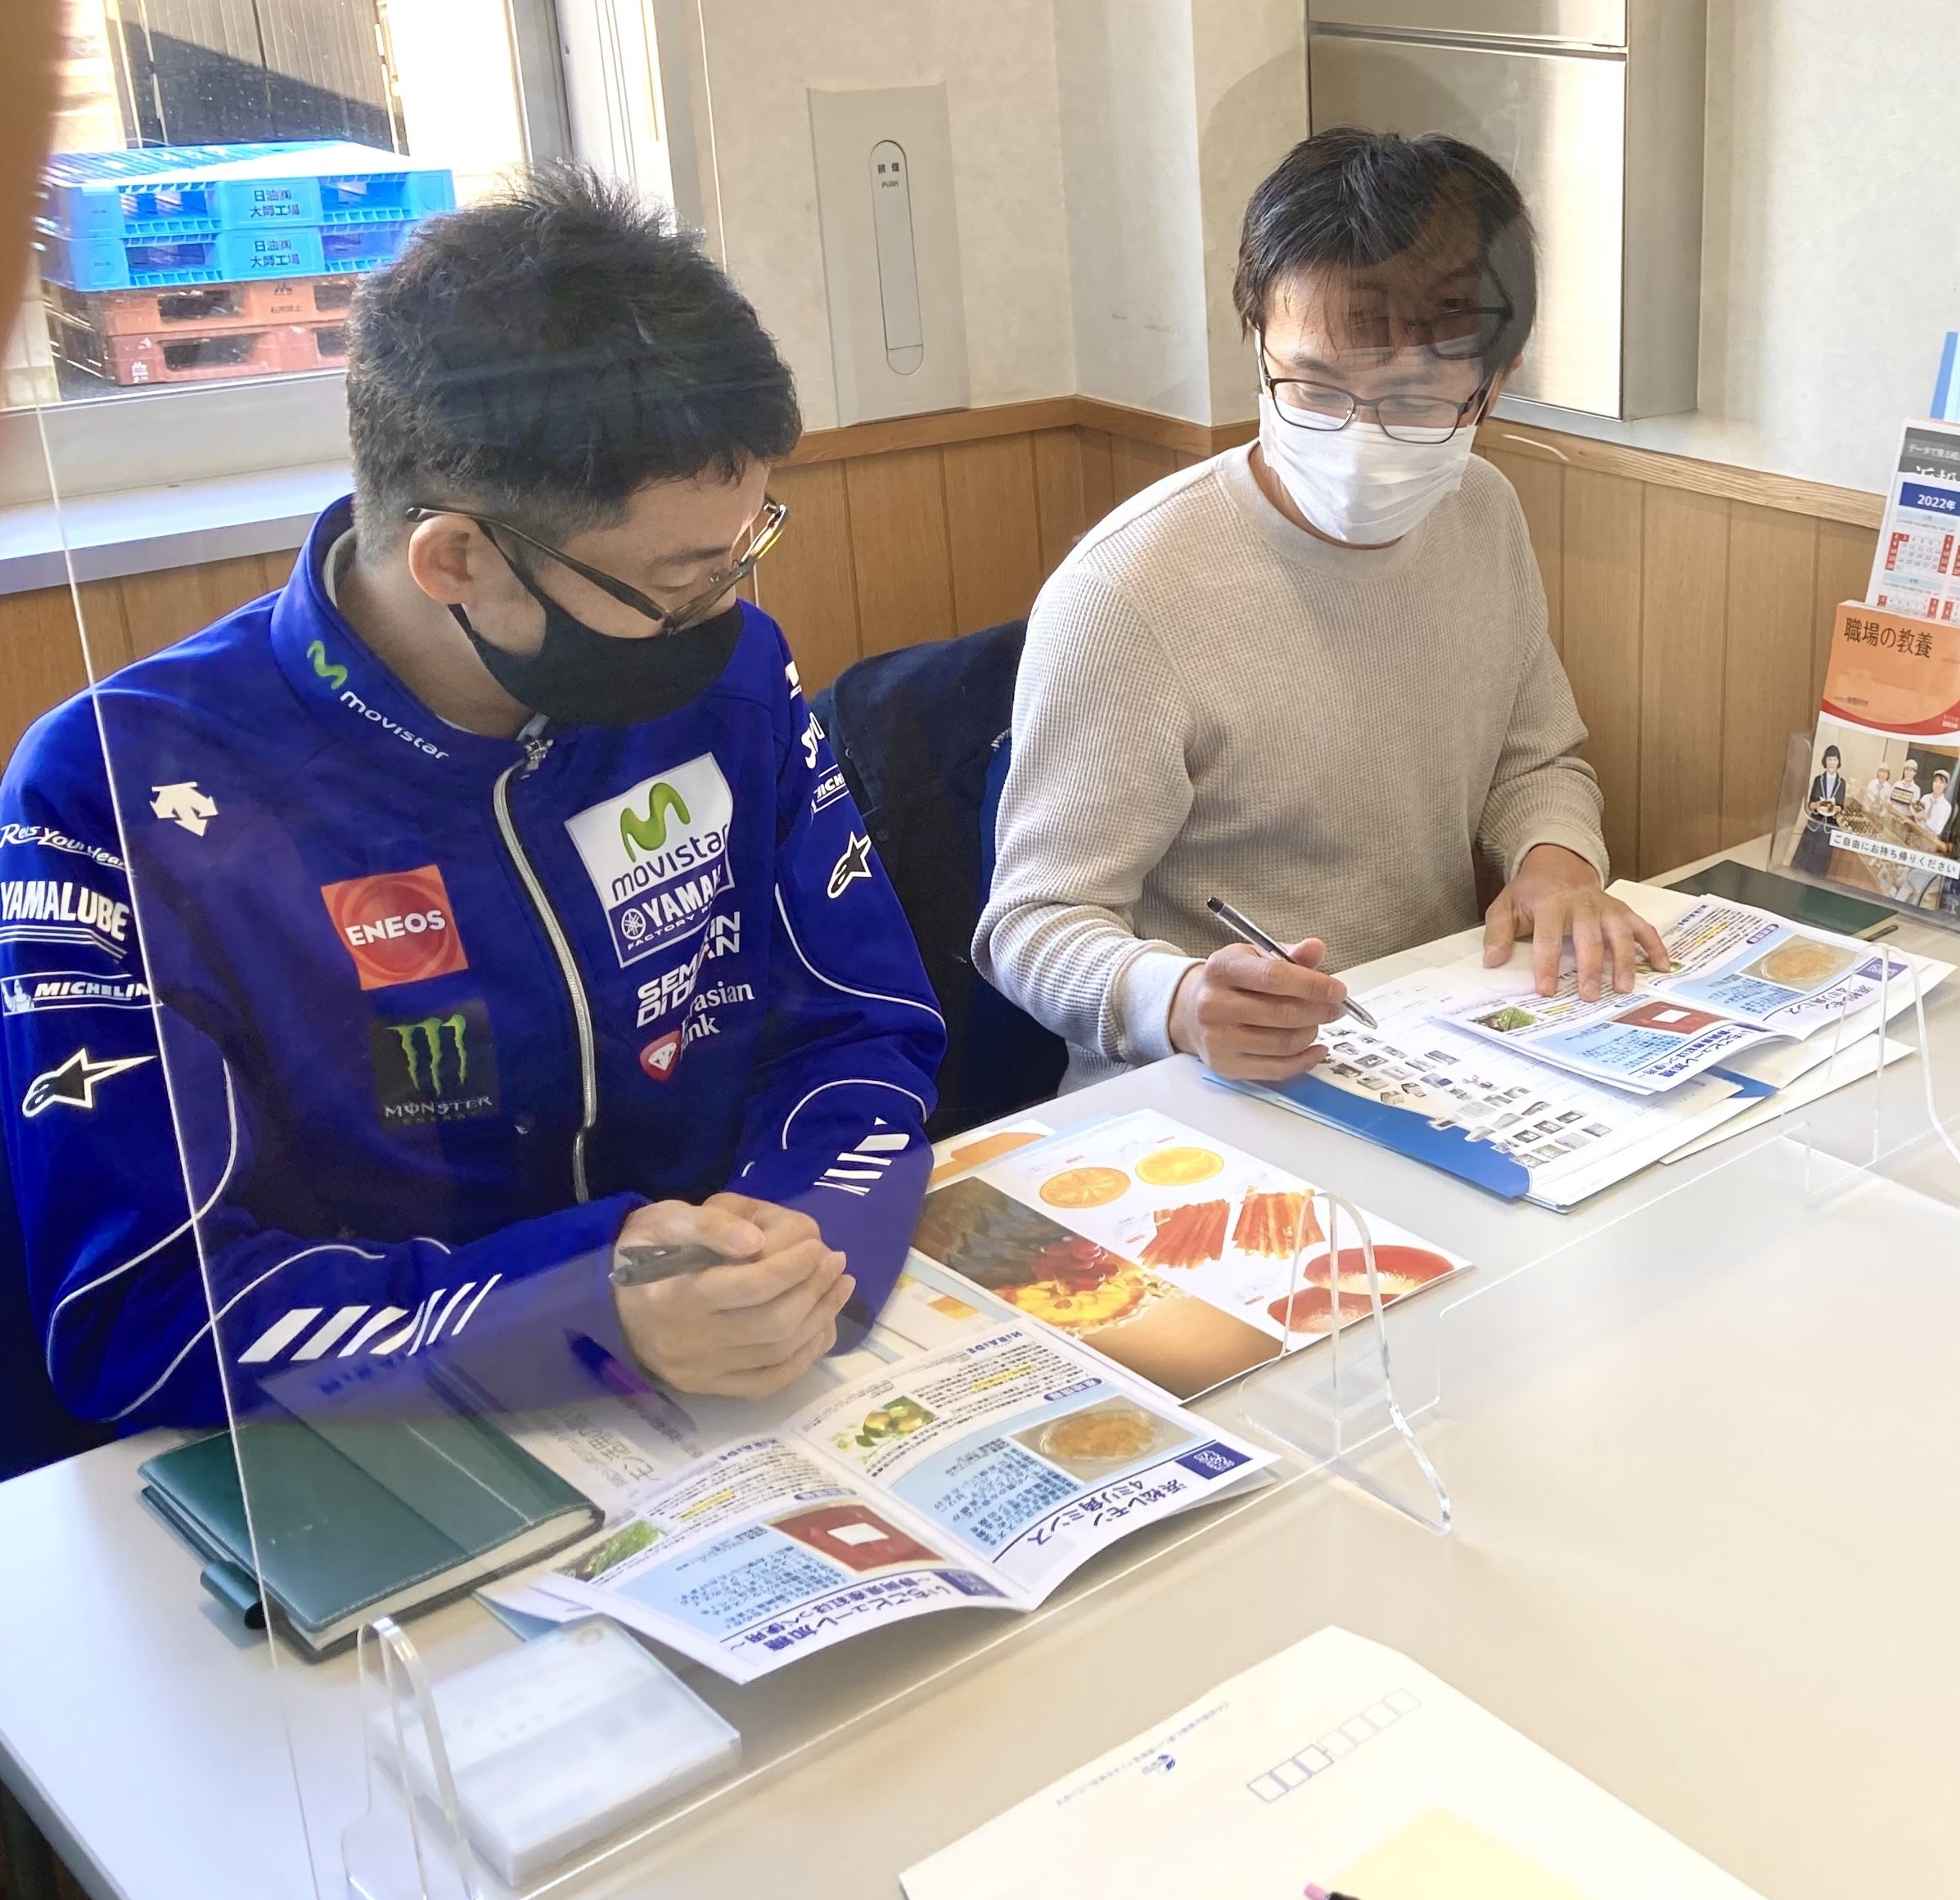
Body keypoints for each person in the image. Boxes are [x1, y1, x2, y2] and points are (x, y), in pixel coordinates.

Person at [0, 169, 944, 1431]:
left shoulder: (727, 683)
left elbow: (859, 1027)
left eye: (743, 551)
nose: (724, 612)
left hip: (747, 1405)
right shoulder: (115, 792)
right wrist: (580, 1312)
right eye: (677, 582)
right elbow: (145, 1312)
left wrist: (799, 1248)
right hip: (379, 1446)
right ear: (454, 558)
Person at [978, 129, 1664, 1087]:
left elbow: (1534, 757)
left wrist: (1555, 863)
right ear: (1256, 339)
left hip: (1422, 1045)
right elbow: (1032, 924)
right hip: (1199, 1097)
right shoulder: (1126, 594)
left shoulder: (1481, 512)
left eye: (1416, 401)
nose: (1357, 441)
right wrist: (1177, 1002)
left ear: (1495, 385)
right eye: (1312, 388)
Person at [1791, 744, 1846, 877]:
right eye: (1829, 759)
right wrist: (1817, 804)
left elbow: (1841, 807)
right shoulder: (1818, 779)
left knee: (1819, 868)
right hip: (1815, 823)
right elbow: (1810, 805)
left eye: (1835, 760)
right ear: (1824, 761)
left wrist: (1836, 808)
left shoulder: (1842, 782)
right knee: (1802, 865)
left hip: (1830, 825)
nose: (1832, 763)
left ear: (1839, 762)